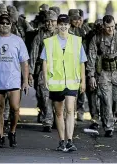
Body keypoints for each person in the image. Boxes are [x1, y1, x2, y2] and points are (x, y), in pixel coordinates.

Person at [0, 14, 29, 148]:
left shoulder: (18, 41)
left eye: (7, 23)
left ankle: (12, 132)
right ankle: (1, 136)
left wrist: (25, 80)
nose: (4, 25)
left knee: (15, 108)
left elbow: (24, 62)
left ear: (11, 25)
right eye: (2, 23)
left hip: (13, 80)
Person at [41, 14, 86, 151]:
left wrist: (83, 81)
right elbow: (45, 61)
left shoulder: (77, 41)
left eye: (66, 24)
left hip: (72, 82)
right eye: (61, 24)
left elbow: (82, 62)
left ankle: (70, 140)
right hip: (56, 82)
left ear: (69, 25)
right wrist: (45, 78)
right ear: (57, 25)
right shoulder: (49, 42)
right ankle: (62, 141)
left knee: (70, 110)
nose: (63, 26)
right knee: (59, 112)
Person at [87, 15, 117, 137]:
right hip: (104, 73)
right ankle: (109, 127)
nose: (110, 29)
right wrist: (91, 76)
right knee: (106, 100)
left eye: (113, 27)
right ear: (103, 26)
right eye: (108, 27)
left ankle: (113, 118)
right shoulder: (97, 38)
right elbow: (91, 58)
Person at [30, 10, 58, 132]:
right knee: (44, 96)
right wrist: (30, 73)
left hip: (59, 70)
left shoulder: (63, 34)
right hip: (44, 69)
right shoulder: (39, 36)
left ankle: (58, 120)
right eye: (47, 21)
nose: (50, 24)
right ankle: (47, 121)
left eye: (53, 21)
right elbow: (33, 54)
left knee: (58, 97)